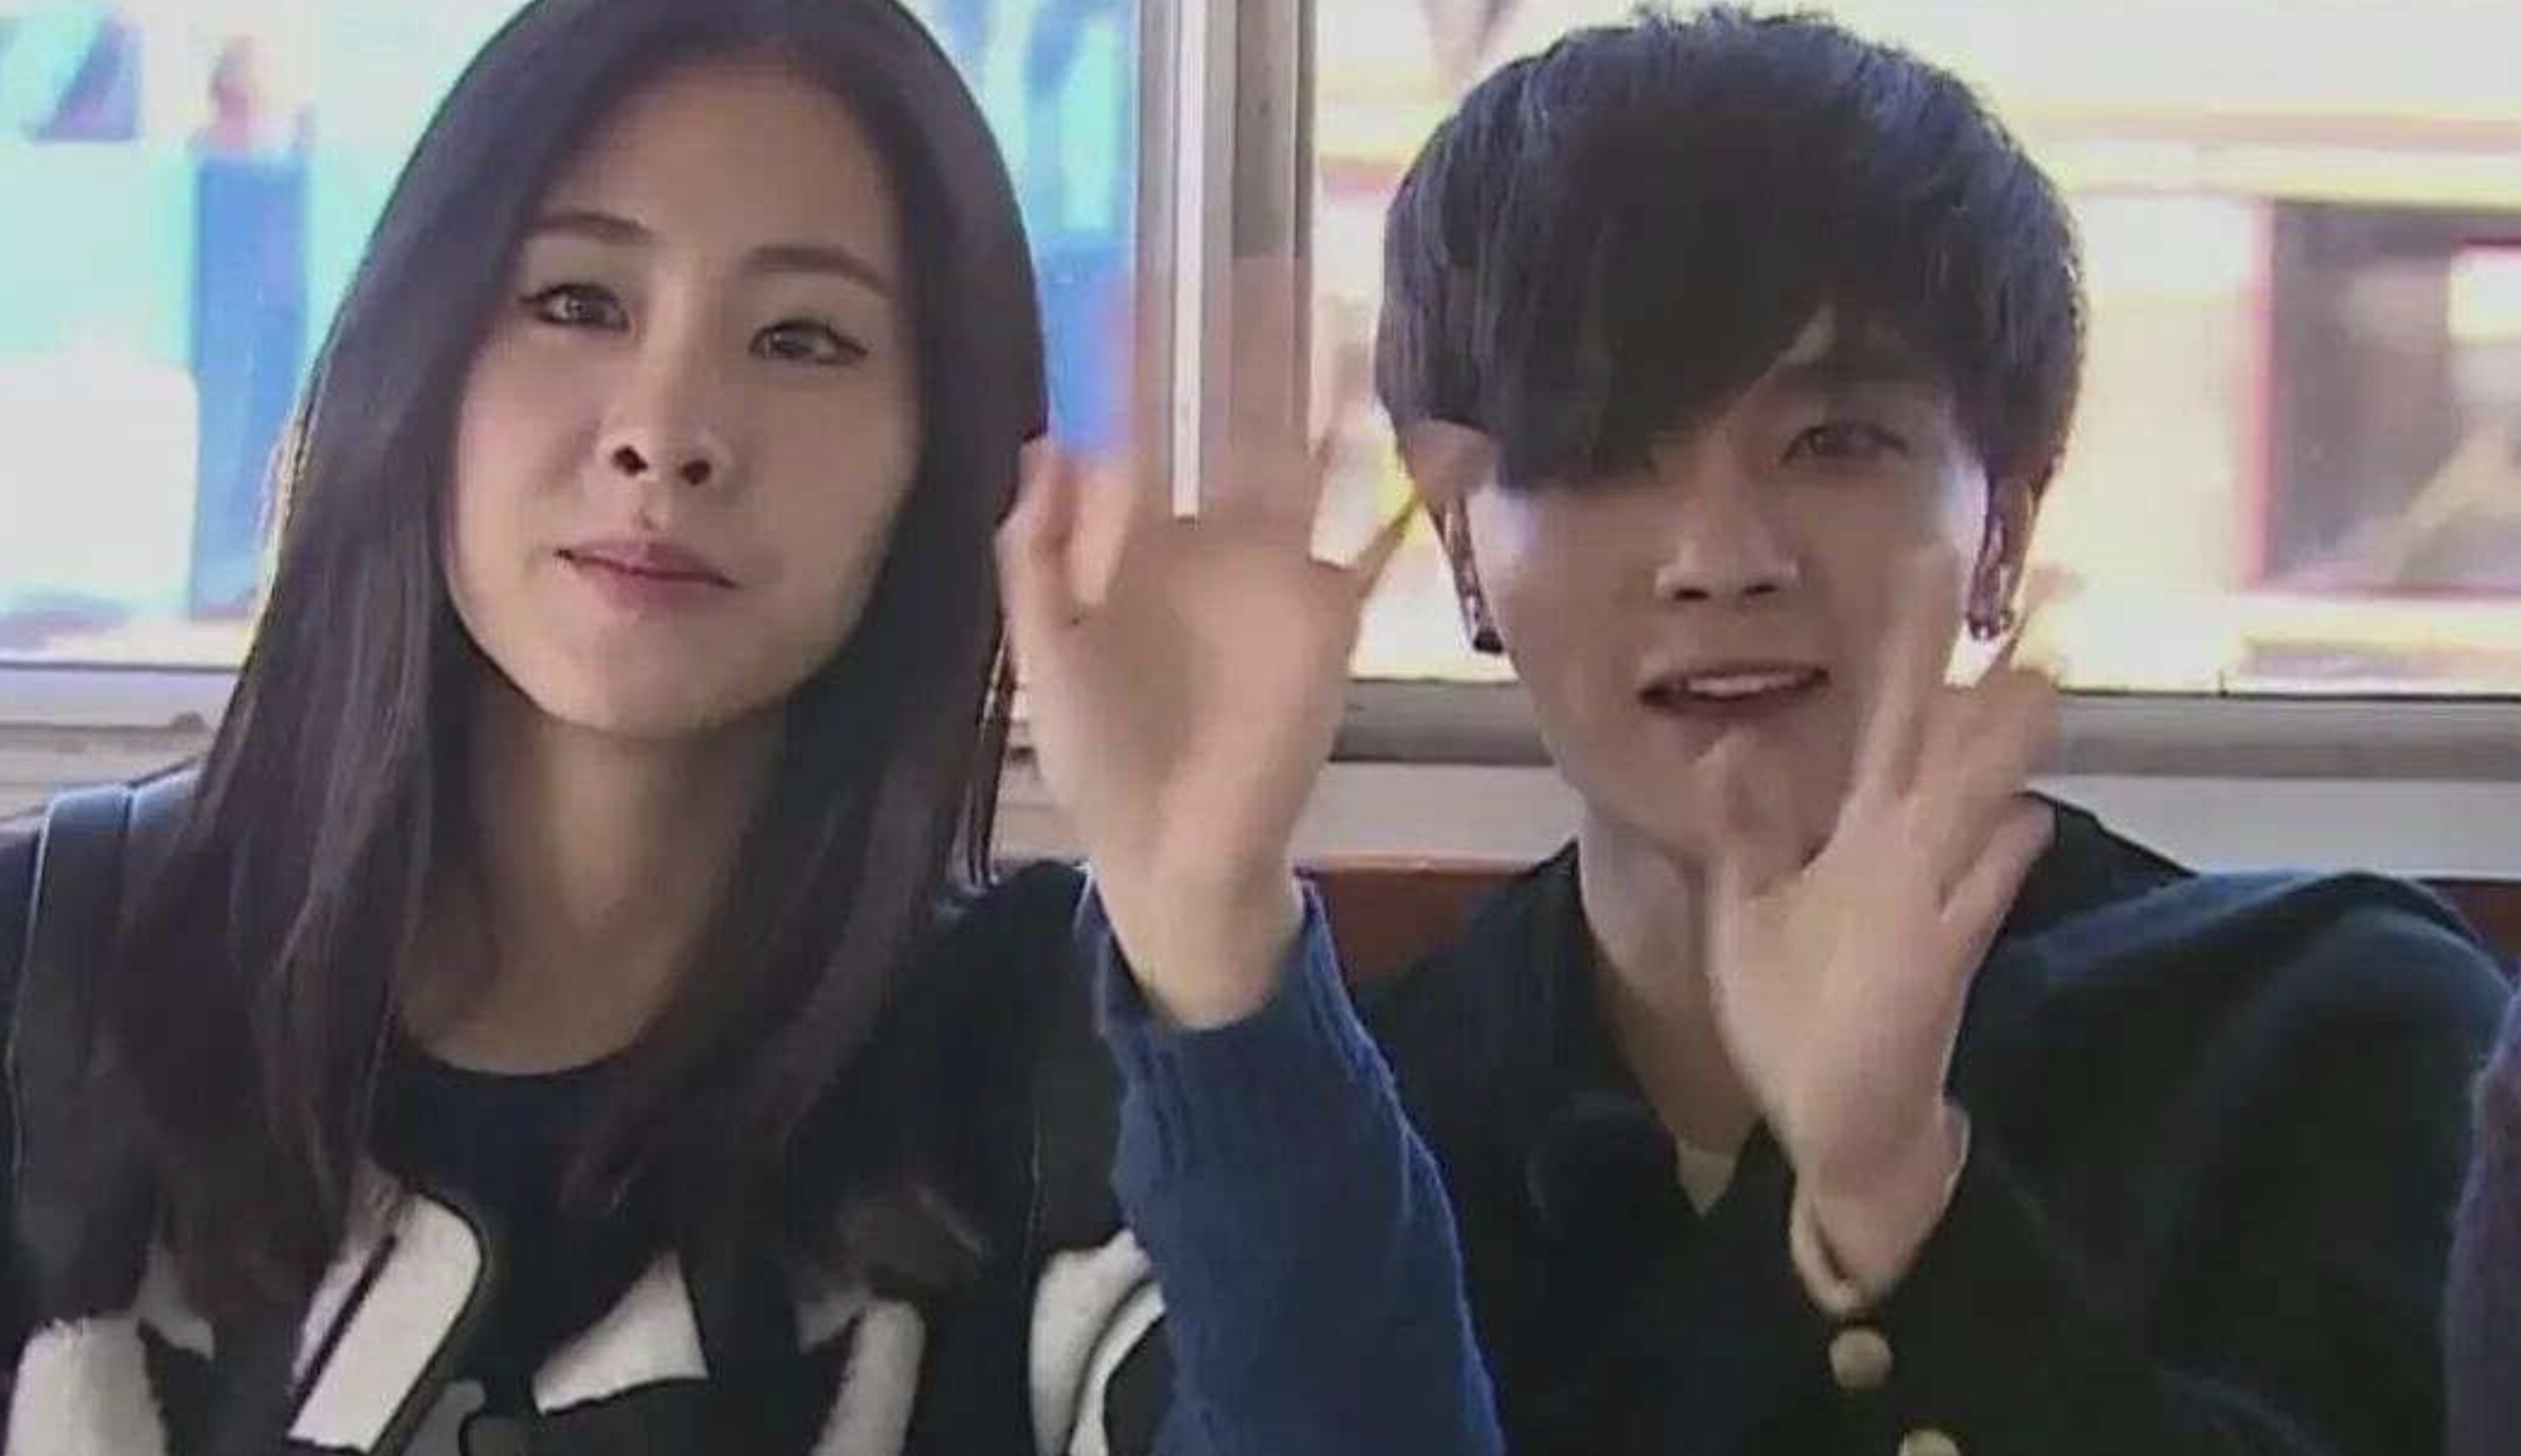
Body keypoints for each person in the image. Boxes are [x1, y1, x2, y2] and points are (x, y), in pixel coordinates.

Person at [0, 1, 1501, 1452]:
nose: (665, 432)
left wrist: (1211, 921)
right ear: (419, 358)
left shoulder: (1038, 1084)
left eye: (801, 339)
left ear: (938, 456)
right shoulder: (42, 986)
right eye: (577, 302)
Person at [1364, 9, 2508, 1454]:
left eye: (1834, 445)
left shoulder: (2330, 1033)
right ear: (1461, 544)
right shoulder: (1357, 1120)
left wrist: (1898, 1198)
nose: (1721, 557)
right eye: (1600, 456)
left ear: (2002, 526)